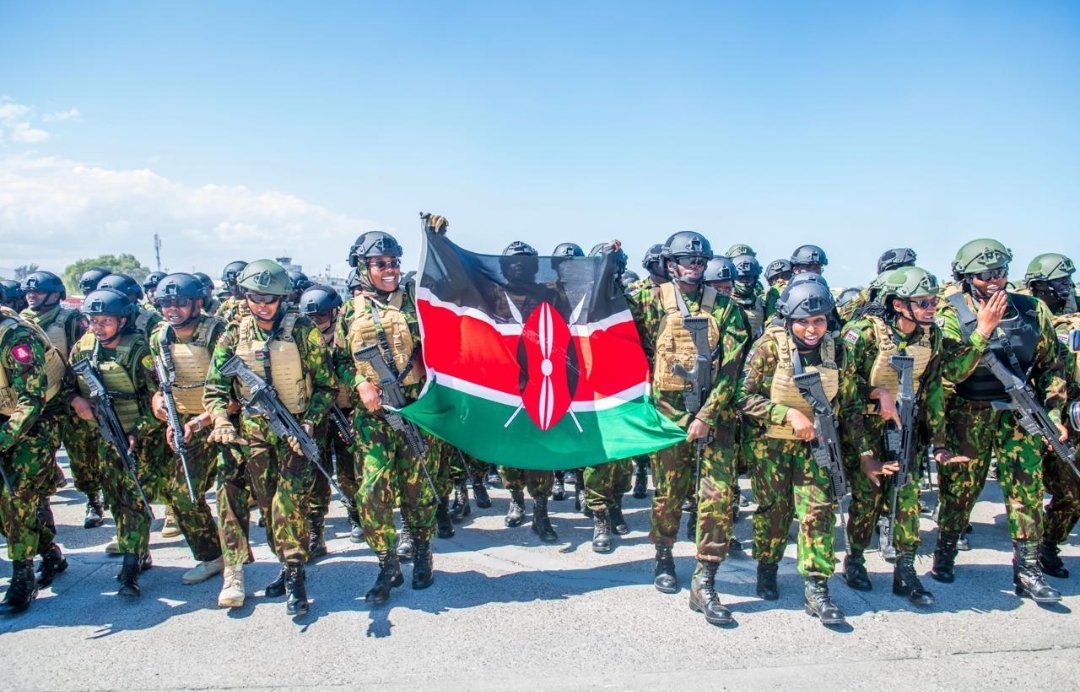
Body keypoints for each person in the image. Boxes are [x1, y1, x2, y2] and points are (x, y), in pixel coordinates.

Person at [931, 239, 1067, 603]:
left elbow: (1052, 367)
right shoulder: (949, 313)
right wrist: (983, 330)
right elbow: (952, 371)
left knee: (1027, 492)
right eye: (985, 275)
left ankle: (1028, 570)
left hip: (1019, 415)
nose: (995, 281)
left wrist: (1053, 413)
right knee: (959, 490)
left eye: (1000, 273)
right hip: (968, 413)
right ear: (966, 278)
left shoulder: (1032, 310)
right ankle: (945, 551)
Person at [203, 259, 336, 615]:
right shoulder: (232, 334)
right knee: (267, 505)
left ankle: (295, 576)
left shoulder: (304, 332)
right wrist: (220, 419)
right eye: (255, 298)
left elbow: (326, 386)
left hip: (295, 430)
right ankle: (284, 562)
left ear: (283, 298)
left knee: (288, 503)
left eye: (270, 299)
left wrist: (310, 423)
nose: (262, 306)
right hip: (255, 432)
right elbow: (215, 388)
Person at [632, 230, 750, 626]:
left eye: (700, 262)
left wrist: (706, 416)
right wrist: (609, 269)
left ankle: (705, 580)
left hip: (715, 420)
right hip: (668, 418)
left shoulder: (726, 308)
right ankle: (664, 554)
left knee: (717, 498)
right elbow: (611, 323)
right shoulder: (652, 300)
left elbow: (732, 370)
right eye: (687, 261)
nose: (695, 268)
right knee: (669, 493)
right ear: (671, 264)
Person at [738, 274, 858, 626]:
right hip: (771, 445)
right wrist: (786, 413)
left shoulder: (838, 350)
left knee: (817, 512)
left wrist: (862, 452)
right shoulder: (768, 347)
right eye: (803, 321)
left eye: (818, 321)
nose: (811, 329)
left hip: (817, 445)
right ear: (788, 320)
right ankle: (767, 566)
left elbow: (849, 403)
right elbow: (742, 397)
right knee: (773, 511)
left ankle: (817, 588)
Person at [335, 223, 445, 604]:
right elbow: (336, 361)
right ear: (363, 268)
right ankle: (387, 563)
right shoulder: (349, 311)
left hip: (415, 411)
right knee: (371, 492)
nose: (389, 270)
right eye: (380, 263)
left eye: (394, 262)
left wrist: (438, 241)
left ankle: (422, 552)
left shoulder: (415, 300)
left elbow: (446, 284)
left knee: (419, 490)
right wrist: (359, 384)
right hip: (373, 419)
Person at [838, 266, 942, 606]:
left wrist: (938, 438)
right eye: (923, 302)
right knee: (867, 499)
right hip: (864, 427)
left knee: (906, 495)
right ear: (898, 304)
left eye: (934, 301)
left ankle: (905, 569)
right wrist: (875, 395)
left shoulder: (932, 336)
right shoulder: (862, 334)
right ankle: (855, 558)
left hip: (905, 426)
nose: (931, 308)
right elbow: (844, 392)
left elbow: (933, 387)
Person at [69, 288, 163, 598]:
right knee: (114, 497)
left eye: (105, 321)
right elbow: (66, 384)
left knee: (134, 498)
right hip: (105, 434)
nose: (98, 328)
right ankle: (135, 551)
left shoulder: (138, 351)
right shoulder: (83, 348)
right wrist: (76, 400)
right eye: (93, 321)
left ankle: (130, 566)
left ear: (122, 321)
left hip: (139, 437)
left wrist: (138, 430)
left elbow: (159, 398)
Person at [147, 274, 227, 590]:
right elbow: (157, 383)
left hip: (225, 421)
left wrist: (203, 420)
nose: (173, 309)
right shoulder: (160, 337)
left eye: (180, 302)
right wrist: (159, 403)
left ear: (197, 303)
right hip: (185, 423)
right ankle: (212, 555)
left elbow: (236, 390)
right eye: (166, 304)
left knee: (235, 497)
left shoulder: (218, 333)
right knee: (183, 494)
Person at [20, 271, 103, 527]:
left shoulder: (71, 319)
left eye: (38, 291)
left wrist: (82, 395)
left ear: (56, 294)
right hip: (42, 400)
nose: (31, 296)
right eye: (29, 292)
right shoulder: (21, 321)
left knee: (82, 453)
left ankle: (93, 498)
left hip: (72, 396)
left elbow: (84, 357)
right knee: (39, 456)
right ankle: (41, 509)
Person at [0, 305, 67, 614]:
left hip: (39, 418)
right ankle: (48, 551)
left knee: (17, 494)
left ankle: (23, 576)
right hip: (7, 417)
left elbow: (32, 398)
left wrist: (3, 440)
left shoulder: (16, 337)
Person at [1021, 253, 1078, 579]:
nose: (1067, 287)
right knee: (1032, 490)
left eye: (1068, 280)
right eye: (1060, 281)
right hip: (1037, 415)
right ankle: (1035, 550)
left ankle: (1046, 545)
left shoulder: (1072, 321)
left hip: (1070, 415)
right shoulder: (1026, 319)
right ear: (1041, 286)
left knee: (1072, 492)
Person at [297, 284, 361, 552]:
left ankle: (356, 514)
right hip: (317, 416)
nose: (316, 321)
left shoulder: (347, 336)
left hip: (346, 411)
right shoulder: (301, 340)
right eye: (310, 317)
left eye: (321, 316)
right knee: (316, 474)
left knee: (349, 471)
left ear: (335, 313)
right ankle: (316, 530)